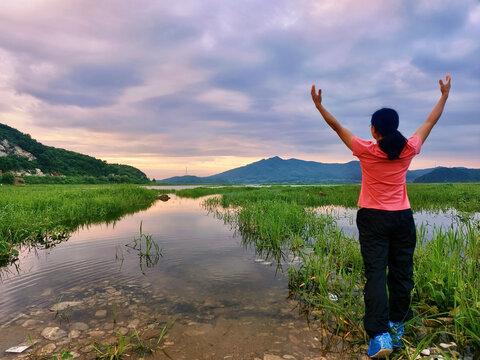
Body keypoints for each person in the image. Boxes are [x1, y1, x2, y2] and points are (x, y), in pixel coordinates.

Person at [310, 75, 451, 358]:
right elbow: (429, 122)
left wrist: (319, 106)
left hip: (373, 219)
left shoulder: (366, 149)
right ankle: (397, 325)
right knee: (402, 273)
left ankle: (379, 337)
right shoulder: (409, 148)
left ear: (374, 131)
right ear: (396, 128)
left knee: (375, 274)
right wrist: (444, 96)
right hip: (402, 218)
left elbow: (337, 127)